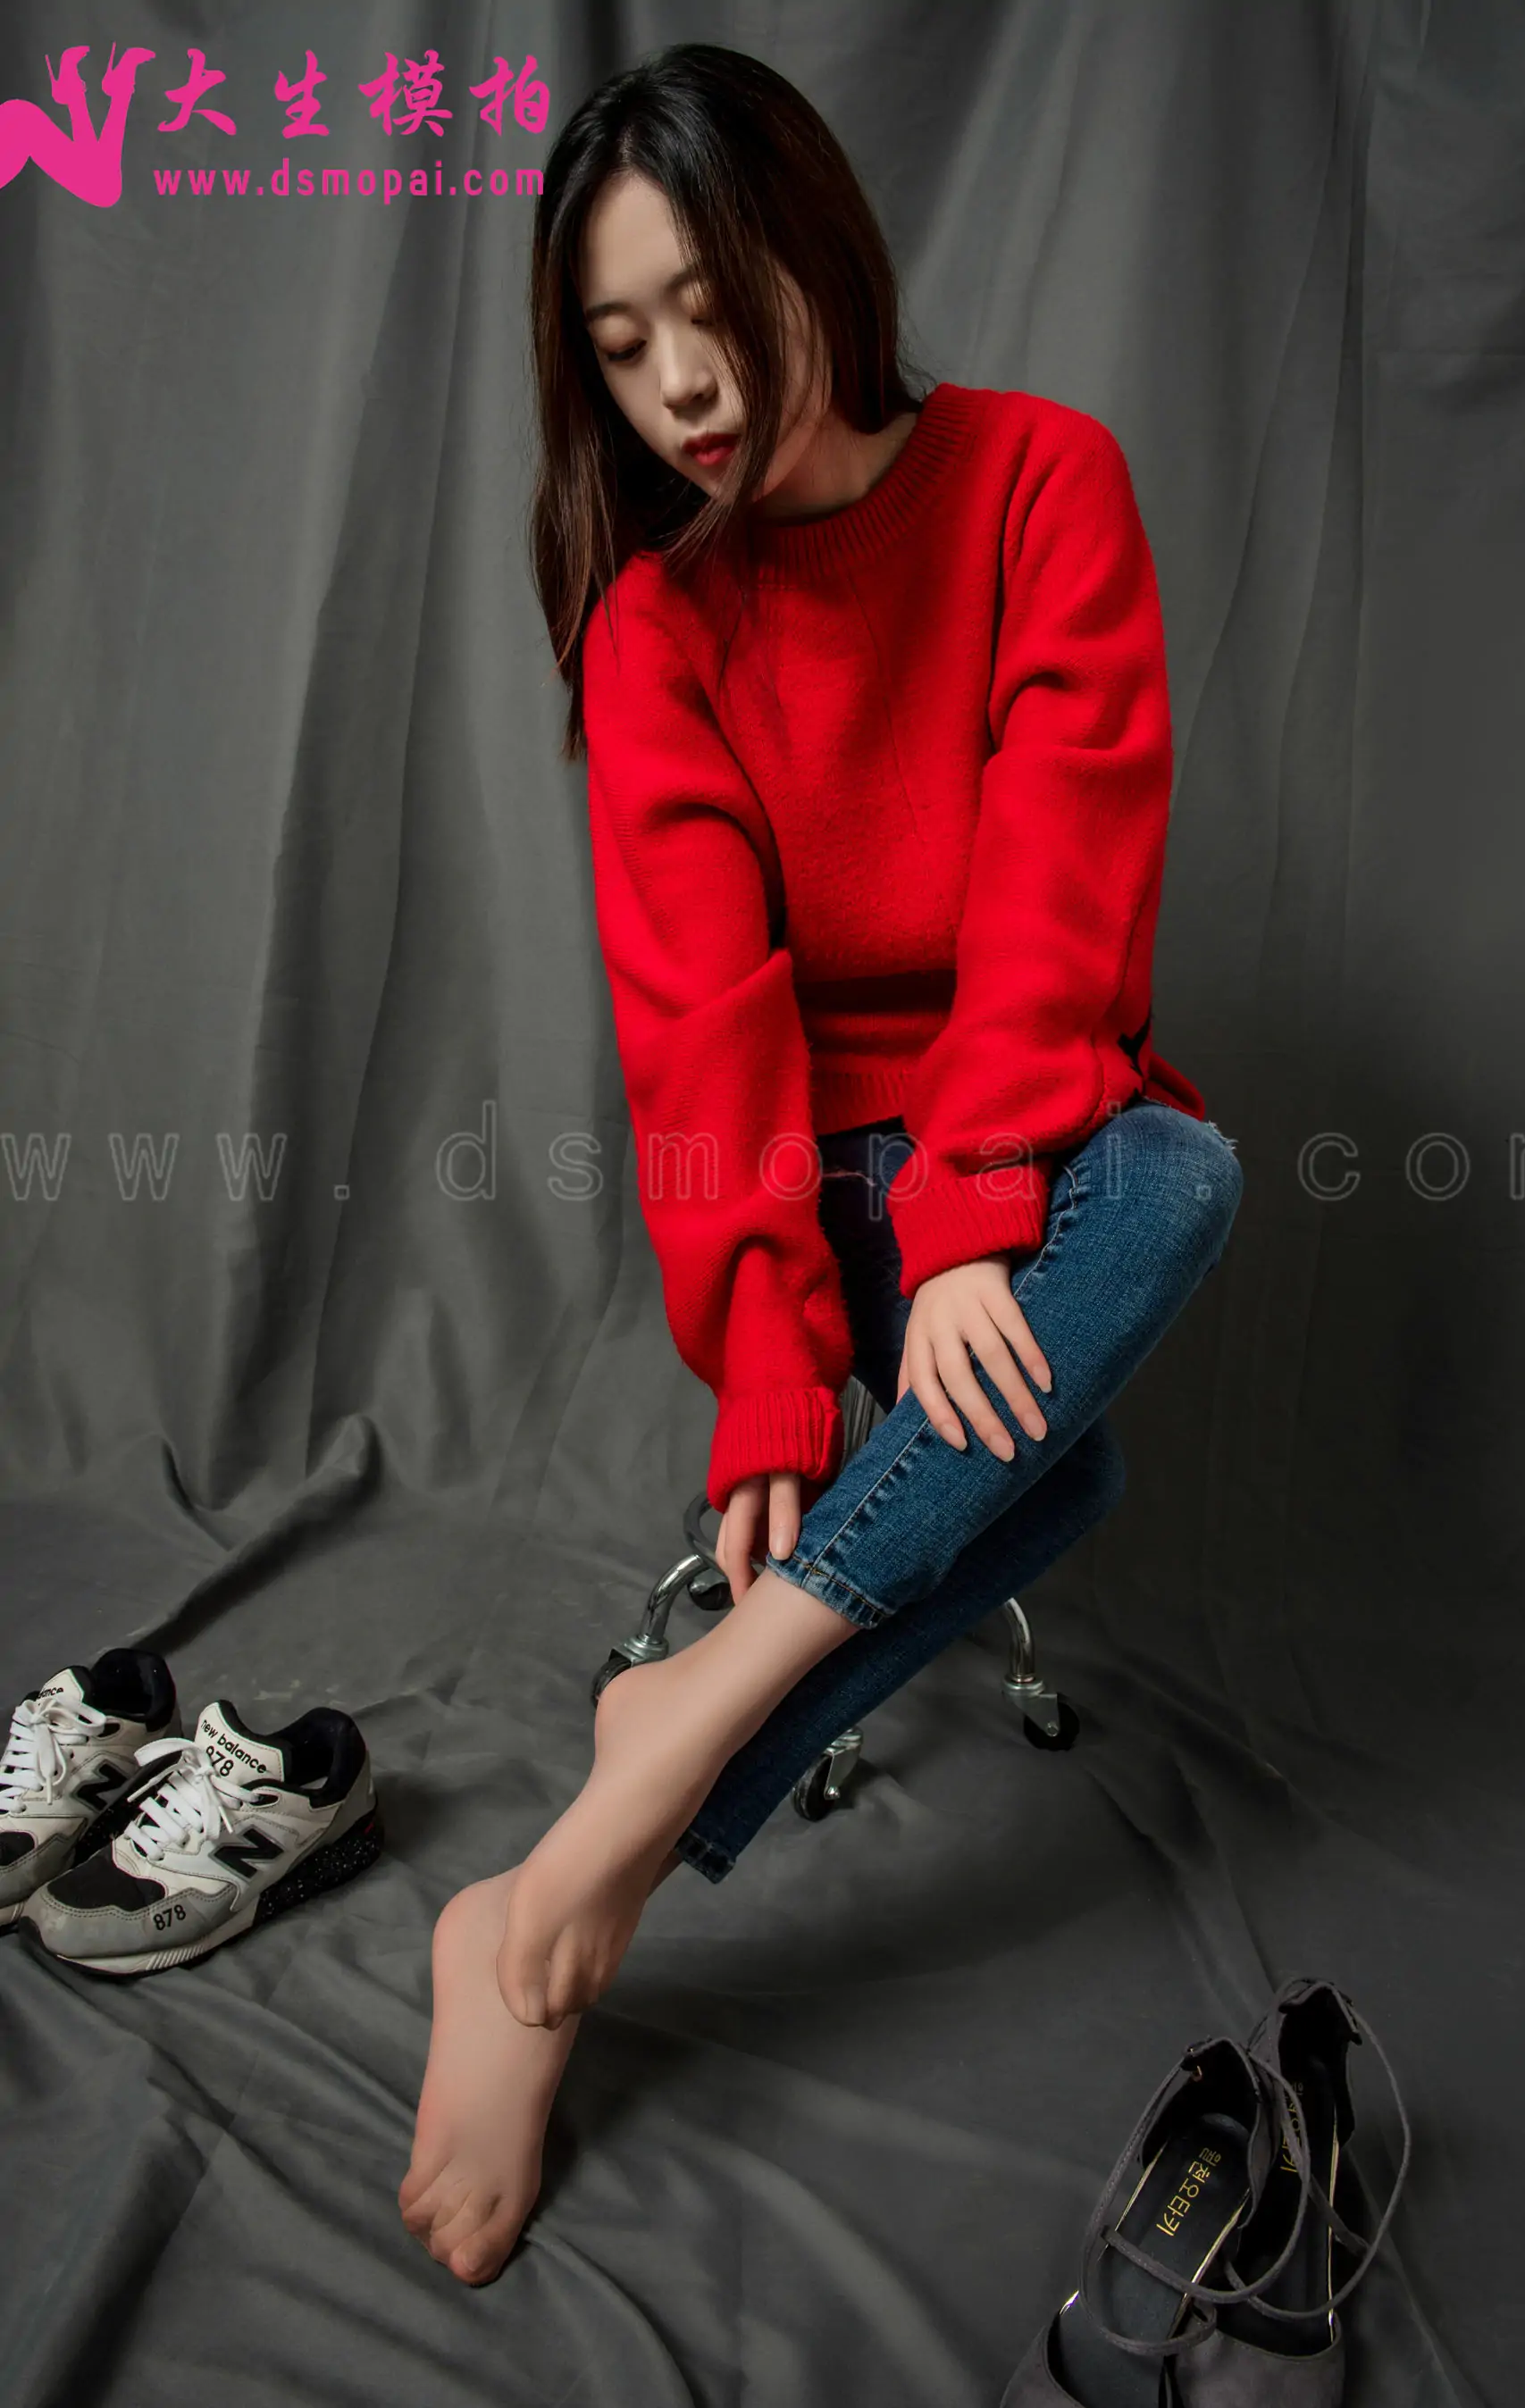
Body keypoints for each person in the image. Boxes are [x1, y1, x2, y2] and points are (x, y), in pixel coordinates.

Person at [398, 41, 1244, 2287]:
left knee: (1173, 1195)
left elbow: (1063, 888)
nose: (681, 383)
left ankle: (619, 1802)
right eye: (620, 343)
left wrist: (977, 1214)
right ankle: (632, 1804)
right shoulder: (659, 618)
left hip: (1017, 1130)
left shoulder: (1041, 483)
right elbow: (704, 1029)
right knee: (1054, 1460)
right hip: (826, 1186)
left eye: (711, 303)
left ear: (819, 249)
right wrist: (777, 1369)